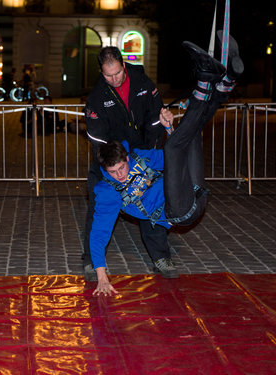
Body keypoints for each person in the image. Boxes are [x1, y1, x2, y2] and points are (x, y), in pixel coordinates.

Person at [90, 34, 244, 296]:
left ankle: (223, 86)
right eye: (112, 172)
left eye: (121, 169)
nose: (118, 176)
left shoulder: (140, 156)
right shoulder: (108, 193)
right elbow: (98, 235)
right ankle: (206, 81)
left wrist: (169, 127)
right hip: (180, 211)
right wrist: (101, 276)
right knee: (174, 146)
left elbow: (173, 156)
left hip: (193, 190)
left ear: (128, 157)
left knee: (186, 136)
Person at [82, 46, 169, 281]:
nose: (114, 79)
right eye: (108, 75)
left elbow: (155, 116)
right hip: (110, 156)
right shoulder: (97, 97)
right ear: (101, 72)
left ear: (123, 65)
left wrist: (152, 146)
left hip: (141, 151)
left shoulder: (142, 81)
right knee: (98, 204)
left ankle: (161, 257)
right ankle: (91, 260)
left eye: (117, 73)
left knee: (150, 199)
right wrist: (113, 168)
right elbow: (98, 140)